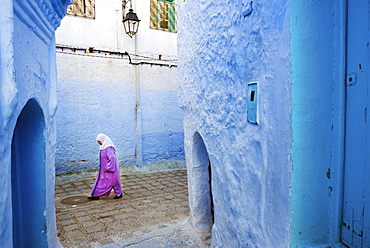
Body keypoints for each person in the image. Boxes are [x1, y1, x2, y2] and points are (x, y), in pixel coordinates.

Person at [88, 133, 123, 200]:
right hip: (104, 170)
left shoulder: (108, 148)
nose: (98, 143)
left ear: (103, 140)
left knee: (113, 182)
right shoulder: (103, 147)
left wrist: (108, 168)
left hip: (109, 170)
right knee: (102, 181)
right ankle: (96, 195)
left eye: (99, 141)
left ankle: (119, 194)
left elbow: (112, 158)